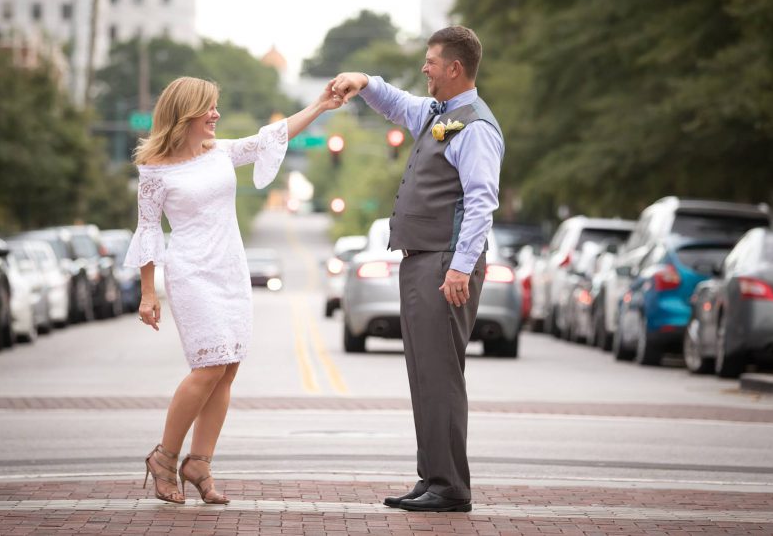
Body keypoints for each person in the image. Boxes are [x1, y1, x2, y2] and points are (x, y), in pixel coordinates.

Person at [125, 76, 341, 504]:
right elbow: (148, 230)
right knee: (207, 366)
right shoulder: (154, 172)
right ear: (185, 114)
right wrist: (148, 292)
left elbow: (271, 137)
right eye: (209, 108)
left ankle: (199, 462)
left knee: (228, 368)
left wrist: (318, 106)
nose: (216, 115)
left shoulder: (220, 153)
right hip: (191, 272)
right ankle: (165, 458)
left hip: (231, 269)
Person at [331, 26, 504, 513]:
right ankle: (432, 478)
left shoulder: (475, 126)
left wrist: (460, 270)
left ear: (454, 68)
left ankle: (450, 487)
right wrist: (363, 81)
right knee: (425, 374)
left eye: (431, 61)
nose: (424, 69)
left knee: (441, 375)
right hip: (423, 261)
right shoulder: (440, 114)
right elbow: (397, 103)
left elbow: (481, 202)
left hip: (445, 264)